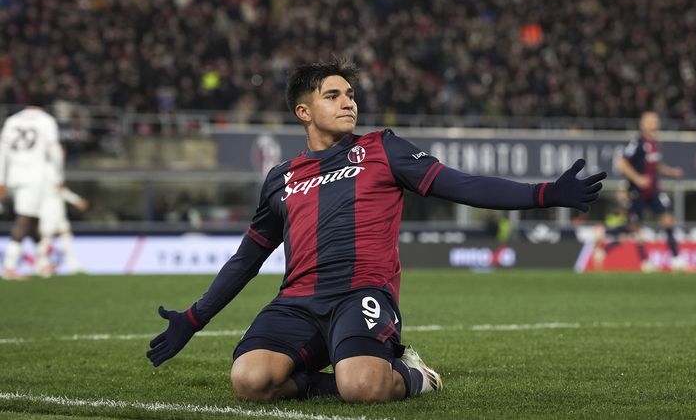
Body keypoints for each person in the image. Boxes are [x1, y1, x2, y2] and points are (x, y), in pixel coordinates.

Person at [147, 59, 607, 403]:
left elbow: (461, 184)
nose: (349, 102)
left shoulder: (382, 150)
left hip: (362, 294)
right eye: (334, 95)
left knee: (363, 387)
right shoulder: (281, 178)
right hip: (298, 302)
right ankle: (330, 371)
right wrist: (193, 318)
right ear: (303, 111)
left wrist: (544, 193)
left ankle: (416, 374)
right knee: (249, 381)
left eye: (351, 94)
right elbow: (247, 259)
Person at [617, 111, 689, 272]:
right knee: (636, 226)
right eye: (650, 121)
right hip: (637, 191)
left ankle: (676, 258)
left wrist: (671, 172)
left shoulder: (656, 143)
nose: (653, 124)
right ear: (642, 124)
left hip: (654, 190)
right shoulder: (636, 143)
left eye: (655, 121)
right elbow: (622, 164)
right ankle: (645, 261)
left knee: (668, 219)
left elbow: (655, 164)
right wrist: (637, 179)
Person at [0, 102, 63, 280]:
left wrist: (1, 180)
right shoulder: (46, 121)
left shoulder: (12, 120)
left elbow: (2, 151)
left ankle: (42, 263)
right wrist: (58, 177)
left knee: (33, 220)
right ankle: (9, 266)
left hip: (13, 176)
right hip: (34, 177)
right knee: (24, 218)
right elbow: (55, 151)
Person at [36, 157, 90, 275]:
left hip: (55, 205)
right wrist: (76, 200)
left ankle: (72, 264)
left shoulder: (47, 166)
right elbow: (59, 187)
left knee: (64, 232)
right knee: (46, 236)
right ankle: (41, 264)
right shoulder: (48, 167)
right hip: (49, 206)